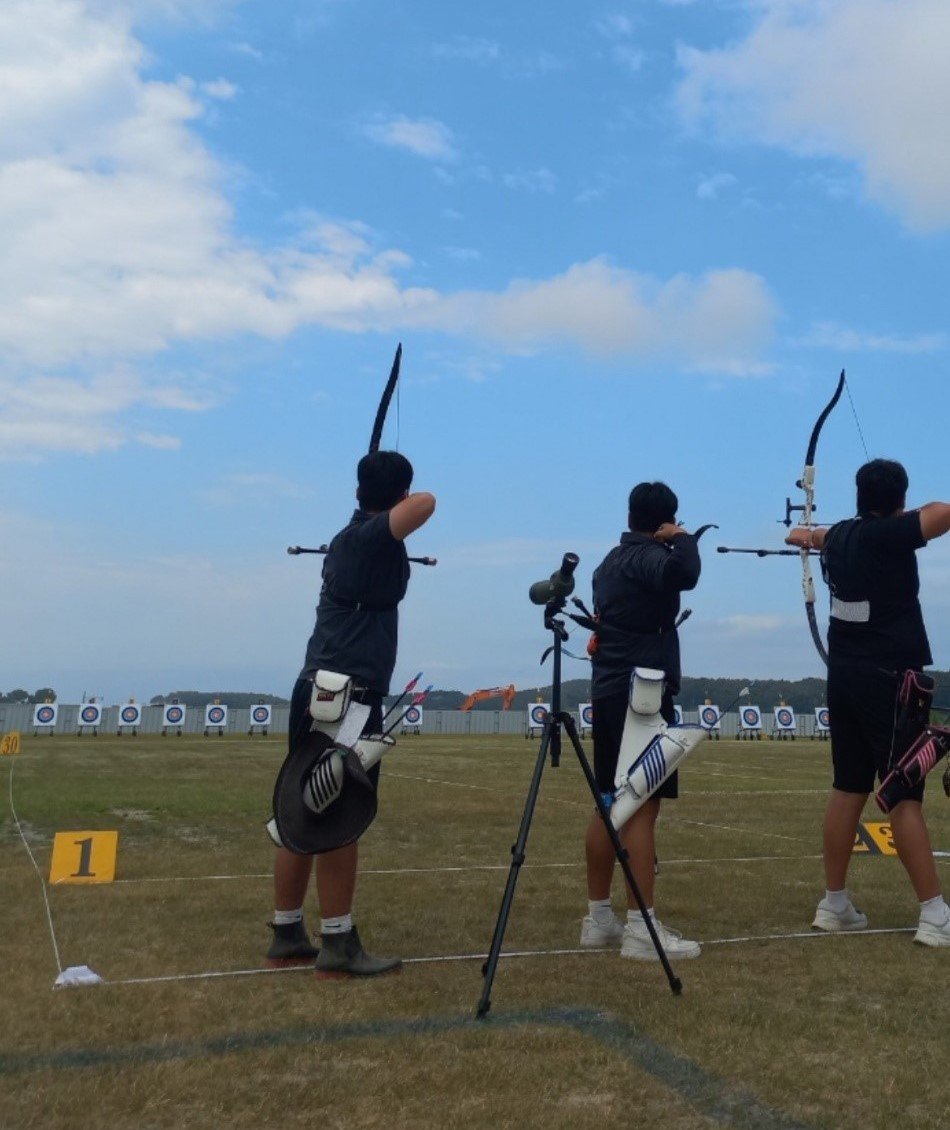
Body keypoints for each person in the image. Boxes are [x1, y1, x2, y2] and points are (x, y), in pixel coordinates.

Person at [267, 450, 435, 976]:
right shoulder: (366, 538)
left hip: (320, 686)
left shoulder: (352, 537)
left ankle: (287, 929)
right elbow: (426, 504)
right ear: (396, 495)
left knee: (302, 808)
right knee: (339, 814)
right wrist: (400, 501)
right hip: (349, 695)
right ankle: (337, 941)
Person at [785, 459, 950, 946]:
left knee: (849, 787)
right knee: (903, 789)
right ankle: (935, 915)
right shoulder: (888, 535)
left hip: (846, 678)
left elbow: (804, 535)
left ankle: (834, 903)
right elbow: (943, 513)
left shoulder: (839, 538)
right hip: (889, 682)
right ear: (900, 501)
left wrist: (809, 533)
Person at [581, 481, 703, 960]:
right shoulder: (652, 556)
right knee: (641, 802)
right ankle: (641, 929)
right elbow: (686, 573)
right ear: (663, 522)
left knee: (609, 801)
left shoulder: (609, 561)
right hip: (641, 696)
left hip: (613, 688)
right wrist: (682, 537)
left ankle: (598, 920)